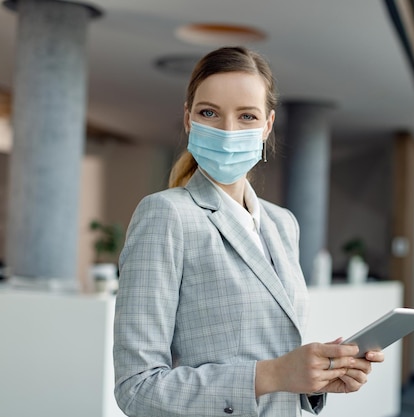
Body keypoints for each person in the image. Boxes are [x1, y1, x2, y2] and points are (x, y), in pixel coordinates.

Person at [113, 46, 384, 417]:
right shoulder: (166, 215)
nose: (228, 130)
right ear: (189, 119)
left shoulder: (282, 223)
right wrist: (274, 374)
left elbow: (269, 359)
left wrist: (314, 379)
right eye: (209, 112)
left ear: (267, 126)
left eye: (246, 116)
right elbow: (137, 388)